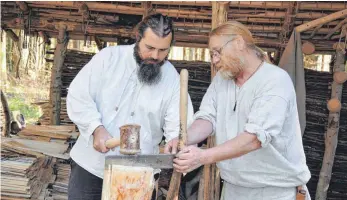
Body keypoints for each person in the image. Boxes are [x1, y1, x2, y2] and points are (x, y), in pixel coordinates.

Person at [165, 21, 311, 200]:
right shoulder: (222, 79)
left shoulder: (275, 80)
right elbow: (207, 118)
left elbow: (254, 139)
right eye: (212, 54)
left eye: (217, 52)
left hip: (275, 192)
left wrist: (202, 157)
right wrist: (185, 138)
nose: (214, 60)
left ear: (239, 43)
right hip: (233, 190)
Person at [66, 13, 194, 200]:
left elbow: (180, 124)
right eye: (149, 47)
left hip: (139, 175)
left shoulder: (172, 79)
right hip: (92, 167)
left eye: (163, 50)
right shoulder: (108, 58)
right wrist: (95, 128)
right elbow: (78, 95)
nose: (155, 56)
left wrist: (176, 140)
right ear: (138, 38)